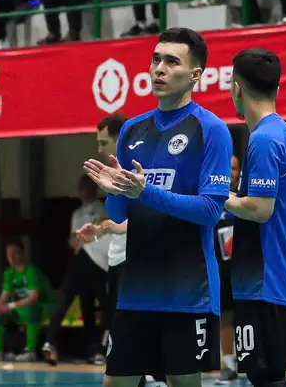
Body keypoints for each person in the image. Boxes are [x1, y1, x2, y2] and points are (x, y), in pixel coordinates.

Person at [83, 27, 233, 387]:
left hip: (188, 291)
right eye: (155, 59)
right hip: (136, 291)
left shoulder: (211, 130)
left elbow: (211, 210)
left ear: (195, 74)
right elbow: (119, 214)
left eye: (171, 61)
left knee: (182, 383)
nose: (159, 69)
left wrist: (144, 192)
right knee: (115, 383)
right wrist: (115, 192)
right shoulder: (133, 130)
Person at [222, 48, 286, 387]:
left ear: (237, 87)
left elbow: (259, 208)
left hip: (264, 279)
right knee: (266, 376)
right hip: (272, 275)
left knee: (265, 376)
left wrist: (215, 194)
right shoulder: (280, 133)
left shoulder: (265, 139)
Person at [77, 113, 167, 386]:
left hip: (137, 266)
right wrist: (102, 229)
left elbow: (147, 216)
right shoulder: (114, 175)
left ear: (120, 140)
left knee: (130, 355)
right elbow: (120, 218)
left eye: (104, 142)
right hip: (118, 265)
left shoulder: (142, 172)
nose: (99, 149)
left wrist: (108, 228)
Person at [42, 174, 111, 366]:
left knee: (107, 307)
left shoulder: (104, 208)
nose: (84, 191)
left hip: (101, 264)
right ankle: (50, 342)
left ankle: (100, 350)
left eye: (88, 186)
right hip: (82, 260)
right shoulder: (77, 214)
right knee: (76, 301)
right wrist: (85, 237)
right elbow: (74, 241)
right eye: (82, 187)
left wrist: (87, 235)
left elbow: (101, 227)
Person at [0, 241, 49, 362]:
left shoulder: (31, 271)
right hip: (23, 308)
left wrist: (9, 306)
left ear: (22, 254)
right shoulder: (9, 273)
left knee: (32, 310)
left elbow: (33, 298)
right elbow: (4, 295)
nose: (11, 258)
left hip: (44, 308)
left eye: (15, 254)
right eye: (9, 255)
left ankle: (30, 352)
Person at [215, 154, 241, 382]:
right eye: (227, 167)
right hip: (221, 269)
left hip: (246, 267)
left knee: (250, 314)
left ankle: (252, 360)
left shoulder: (247, 196)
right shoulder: (213, 197)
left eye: (234, 168)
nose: (230, 172)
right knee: (226, 315)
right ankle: (229, 362)